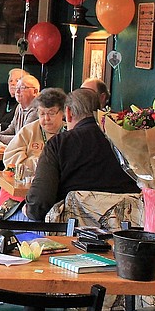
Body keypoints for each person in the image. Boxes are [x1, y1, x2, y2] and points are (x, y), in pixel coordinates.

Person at [24, 88, 138, 221]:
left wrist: (28, 210)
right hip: (123, 230)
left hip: (69, 232)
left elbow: (39, 205)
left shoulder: (59, 143)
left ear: (68, 113)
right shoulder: (124, 141)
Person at [3, 87, 67, 170]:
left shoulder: (69, 132)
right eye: (42, 113)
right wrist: (41, 164)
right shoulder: (28, 131)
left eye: (51, 113)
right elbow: (10, 158)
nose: (46, 118)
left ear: (63, 113)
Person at [0, 74, 41, 144]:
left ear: (35, 91)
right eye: (17, 88)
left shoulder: (37, 110)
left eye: (22, 88)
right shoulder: (19, 106)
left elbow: (22, 138)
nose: (17, 91)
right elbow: (11, 130)